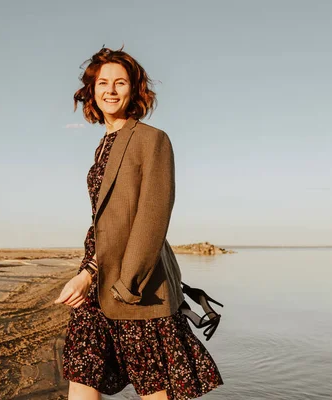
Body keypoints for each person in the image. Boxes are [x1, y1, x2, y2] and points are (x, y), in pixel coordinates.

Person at [54, 47, 223, 400]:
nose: (111, 90)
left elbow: (151, 218)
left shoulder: (152, 139)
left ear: (134, 90)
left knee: (152, 385)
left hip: (137, 284)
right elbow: (105, 222)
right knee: (82, 371)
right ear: (92, 90)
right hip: (97, 278)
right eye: (103, 83)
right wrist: (89, 271)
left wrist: (122, 282)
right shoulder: (103, 143)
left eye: (120, 82)